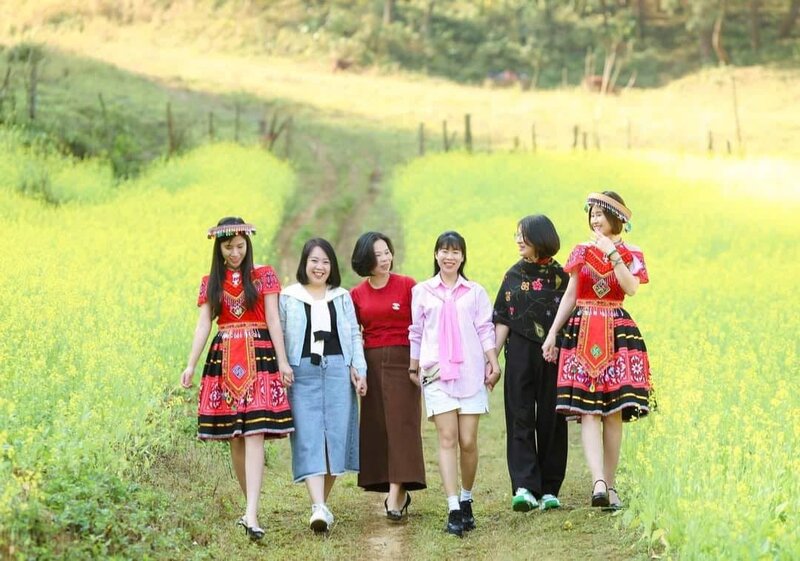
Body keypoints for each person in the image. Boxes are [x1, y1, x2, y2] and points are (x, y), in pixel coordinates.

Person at [180, 217, 294, 541]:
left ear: (249, 245)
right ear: (219, 248)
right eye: (229, 247)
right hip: (224, 359)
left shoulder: (263, 275)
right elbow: (204, 324)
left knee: (255, 430)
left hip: (259, 356)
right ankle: (250, 508)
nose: (235, 253)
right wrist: (190, 364)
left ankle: (252, 514)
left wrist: (283, 362)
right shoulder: (210, 282)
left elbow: (273, 319)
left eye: (240, 246)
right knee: (236, 437)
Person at [542, 191, 651, 511]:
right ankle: (598, 482)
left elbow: (631, 287)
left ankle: (611, 482)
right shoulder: (581, 251)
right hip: (583, 332)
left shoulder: (632, 253)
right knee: (589, 410)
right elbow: (570, 296)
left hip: (617, 332)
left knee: (614, 412)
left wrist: (612, 254)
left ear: (617, 218)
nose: (594, 219)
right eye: (591, 213)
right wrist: (552, 334)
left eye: (600, 214)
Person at [408, 231, 501, 537]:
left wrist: (493, 360)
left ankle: (466, 497)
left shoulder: (475, 292)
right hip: (436, 373)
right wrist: (413, 365)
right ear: (436, 255)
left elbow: (485, 329)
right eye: (444, 251)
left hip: (470, 372)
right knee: (447, 438)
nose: (449, 257)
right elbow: (417, 332)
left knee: (468, 441)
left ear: (463, 257)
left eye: (455, 252)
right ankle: (452, 508)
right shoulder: (422, 291)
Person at [279, 238, 368, 533]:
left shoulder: (341, 297)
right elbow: (278, 335)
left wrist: (359, 369)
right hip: (302, 373)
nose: (320, 267)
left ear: (333, 267)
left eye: (326, 262)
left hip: (337, 371)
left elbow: (354, 334)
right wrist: (282, 367)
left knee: (336, 440)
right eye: (314, 260)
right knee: (308, 437)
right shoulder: (289, 297)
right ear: (305, 263)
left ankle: (321, 506)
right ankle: (318, 505)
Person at [493, 215, 569, 513]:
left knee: (552, 419)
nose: (518, 240)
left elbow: (573, 318)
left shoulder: (563, 276)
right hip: (521, 353)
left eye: (523, 235)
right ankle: (525, 485)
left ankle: (550, 488)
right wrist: (493, 360)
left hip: (554, 353)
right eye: (516, 235)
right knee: (519, 416)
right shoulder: (513, 275)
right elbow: (502, 317)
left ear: (540, 238)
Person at [350, 232, 426, 521]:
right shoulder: (357, 294)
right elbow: (353, 336)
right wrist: (358, 370)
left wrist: (418, 362)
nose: (384, 259)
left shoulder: (407, 286)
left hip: (404, 361)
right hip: (370, 361)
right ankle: (393, 486)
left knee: (402, 425)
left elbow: (421, 326)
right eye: (377, 255)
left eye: (386, 252)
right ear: (365, 260)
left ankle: (396, 492)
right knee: (378, 426)